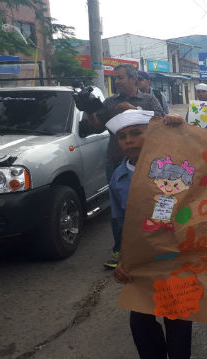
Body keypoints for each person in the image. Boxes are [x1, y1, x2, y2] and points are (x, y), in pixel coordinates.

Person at [107, 109, 191, 359]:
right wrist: (121, 259)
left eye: (136, 133)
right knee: (140, 321)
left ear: (151, 133)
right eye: (123, 137)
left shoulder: (174, 167)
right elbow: (119, 223)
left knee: (177, 319)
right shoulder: (118, 178)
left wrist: (179, 126)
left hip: (175, 255)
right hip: (141, 261)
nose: (129, 140)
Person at [80, 63, 164, 270]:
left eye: (120, 77)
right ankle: (120, 250)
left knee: (150, 203)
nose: (116, 81)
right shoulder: (109, 103)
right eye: (115, 78)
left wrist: (135, 111)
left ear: (133, 79)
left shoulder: (148, 99)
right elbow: (98, 126)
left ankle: (154, 246)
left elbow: (162, 124)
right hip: (116, 161)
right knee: (119, 208)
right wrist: (89, 111)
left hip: (145, 161)